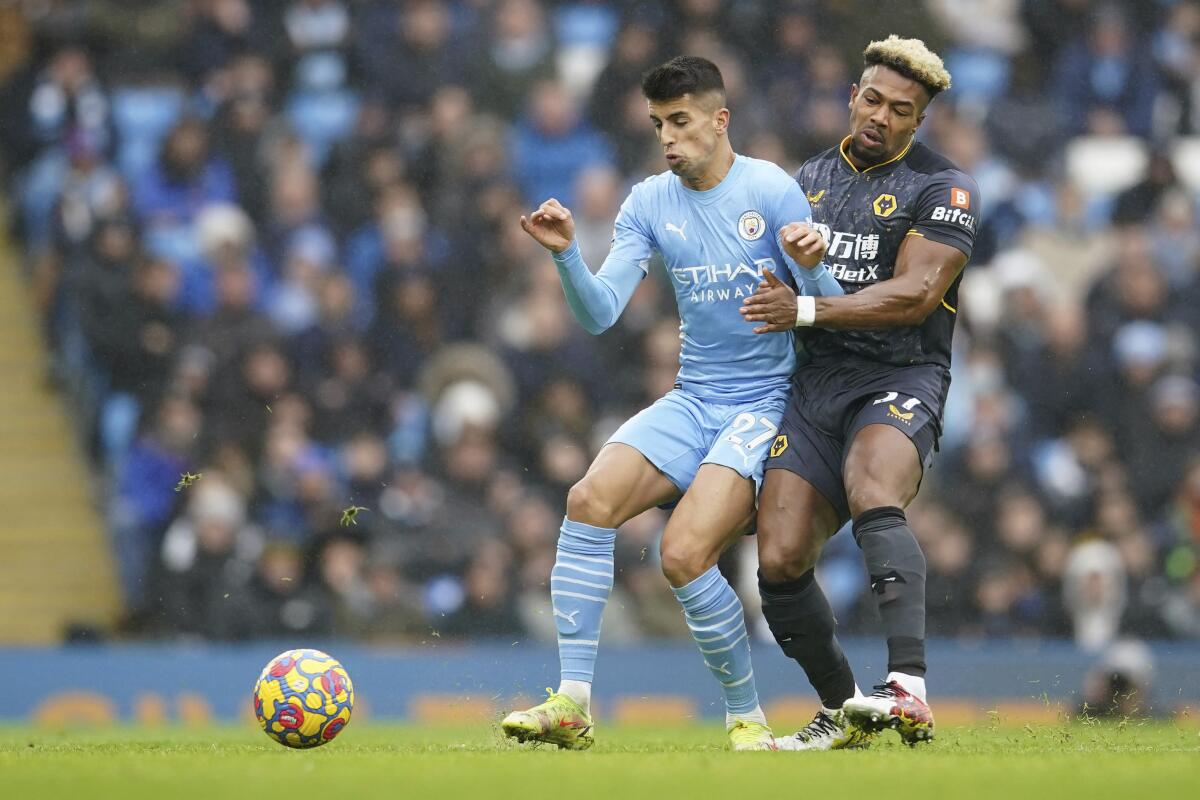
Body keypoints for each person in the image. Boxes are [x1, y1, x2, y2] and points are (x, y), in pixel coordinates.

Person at [499, 56, 841, 752]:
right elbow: (599, 314)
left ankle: (745, 718)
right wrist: (567, 256)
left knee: (683, 554)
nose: (668, 138)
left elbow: (833, 308)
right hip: (693, 398)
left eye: (680, 122)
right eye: (659, 124)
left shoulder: (772, 190)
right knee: (588, 500)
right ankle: (572, 702)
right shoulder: (649, 201)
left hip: (767, 402)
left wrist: (813, 265)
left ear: (720, 121)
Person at [738, 36, 981, 749]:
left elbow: (916, 293)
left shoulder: (945, 188)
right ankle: (844, 710)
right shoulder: (809, 175)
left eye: (899, 110)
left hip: (899, 375)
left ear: (918, 121)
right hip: (816, 385)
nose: (879, 116)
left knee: (874, 483)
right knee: (778, 559)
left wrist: (807, 309)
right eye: (871, 99)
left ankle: (908, 688)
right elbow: (767, 275)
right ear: (853, 94)